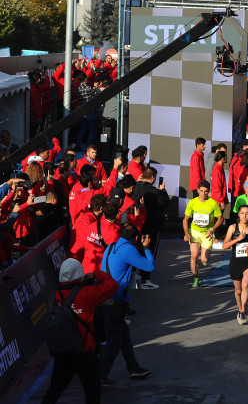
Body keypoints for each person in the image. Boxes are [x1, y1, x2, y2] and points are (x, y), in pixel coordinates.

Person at [42, 259, 117, 404]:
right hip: (85, 354)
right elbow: (112, 286)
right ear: (79, 275)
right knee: (92, 393)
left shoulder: (54, 296)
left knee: (53, 392)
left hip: (63, 354)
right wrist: (95, 274)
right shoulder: (87, 294)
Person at [99, 224, 154, 384]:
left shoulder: (111, 246)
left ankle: (133, 368)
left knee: (124, 336)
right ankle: (100, 375)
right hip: (114, 302)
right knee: (114, 341)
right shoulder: (128, 250)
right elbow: (149, 266)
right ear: (136, 238)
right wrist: (147, 248)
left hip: (106, 298)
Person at [133, 167, 169, 290]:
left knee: (137, 248)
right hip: (152, 226)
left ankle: (135, 276)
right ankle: (144, 279)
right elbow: (165, 204)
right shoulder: (155, 192)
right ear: (153, 178)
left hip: (137, 225)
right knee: (149, 250)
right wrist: (163, 190)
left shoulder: (135, 187)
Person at [222, 205, 248, 324]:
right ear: (238, 214)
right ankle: (240, 309)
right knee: (238, 291)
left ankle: (243, 312)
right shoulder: (233, 228)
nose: (244, 216)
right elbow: (224, 246)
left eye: (247, 213)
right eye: (242, 213)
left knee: (245, 284)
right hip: (236, 262)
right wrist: (238, 239)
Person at [183, 180, 222, 288]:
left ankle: (205, 257)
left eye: (206, 191)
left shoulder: (213, 203)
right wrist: (186, 233)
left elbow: (220, 218)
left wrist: (212, 229)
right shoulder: (192, 202)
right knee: (194, 255)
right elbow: (185, 219)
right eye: (201, 191)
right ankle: (195, 278)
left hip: (207, 233)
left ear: (208, 191)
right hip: (194, 232)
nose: (203, 193)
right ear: (197, 190)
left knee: (204, 259)